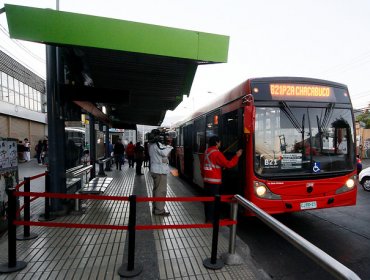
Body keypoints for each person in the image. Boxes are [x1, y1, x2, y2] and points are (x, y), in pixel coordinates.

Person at [203, 135, 243, 223]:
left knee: (208, 201)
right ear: (217, 142)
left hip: (207, 180)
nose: (220, 143)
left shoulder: (207, 151)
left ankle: (208, 218)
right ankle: (212, 219)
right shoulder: (217, 153)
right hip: (214, 182)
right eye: (220, 142)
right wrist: (237, 156)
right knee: (214, 201)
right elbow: (229, 164)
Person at [149, 131, 173, 216]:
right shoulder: (157, 145)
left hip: (156, 170)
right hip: (160, 171)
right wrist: (169, 146)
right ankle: (159, 210)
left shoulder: (152, 145)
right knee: (161, 191)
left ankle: (155, 208)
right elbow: (164, 152)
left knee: (156, 190)